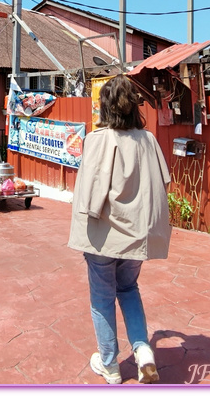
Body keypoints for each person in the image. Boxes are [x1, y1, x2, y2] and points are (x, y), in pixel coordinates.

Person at [68, 75, 171, 385]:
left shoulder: (97, 139)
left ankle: (110, 365)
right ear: (133, 107)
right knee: (129, 290)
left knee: (102, 299)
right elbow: (163, 182)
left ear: (105, 106)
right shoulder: (149, 140)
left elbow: (88, 191)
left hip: (103, 236)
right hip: (137, 236)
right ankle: (143, 352)